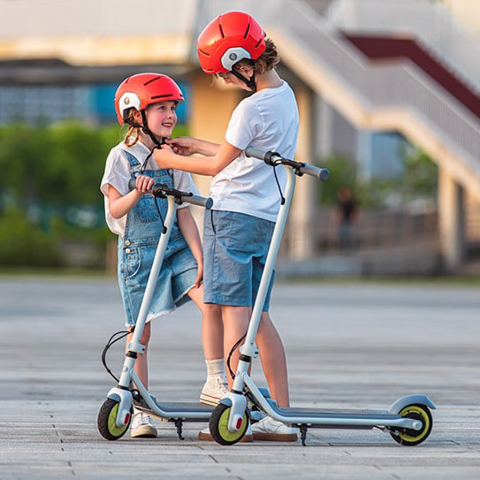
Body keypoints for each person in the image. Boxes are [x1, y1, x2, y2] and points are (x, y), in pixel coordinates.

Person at [154, 11, 299, 442]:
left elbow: (219, 166)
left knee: (235, 316)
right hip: (265, 218)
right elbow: (245, 152)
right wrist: (196, 144)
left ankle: (236, 410)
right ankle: (280, 414)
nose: (228, 83)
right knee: (259, 317)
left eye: (226, 75)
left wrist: (169, 159)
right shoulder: (284, 96)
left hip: (232, 217)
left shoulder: (250, 107)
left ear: (242, 64)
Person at [100, 73, 226, 439]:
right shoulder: (121, 157)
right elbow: (116, 208)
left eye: (172, 108)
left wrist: (200, 257)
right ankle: (140, 409)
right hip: (139, 254)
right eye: (161, 108)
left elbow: (185, 210)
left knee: (213, 302)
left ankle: (215, 379)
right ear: (135, 114)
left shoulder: (173, 156)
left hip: (176, 250)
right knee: (140, 333)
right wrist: (137, 193)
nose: (170, 115)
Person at [333, 186, 359, 251]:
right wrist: (337, 218)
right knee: (343, 233)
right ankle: (343, 247)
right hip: (343, 219)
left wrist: (354, 218)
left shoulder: (350, 202)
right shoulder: (341, 202)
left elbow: (354, 211)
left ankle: (346, 247)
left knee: (346, 233)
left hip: (347, 219)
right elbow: (338, 211)